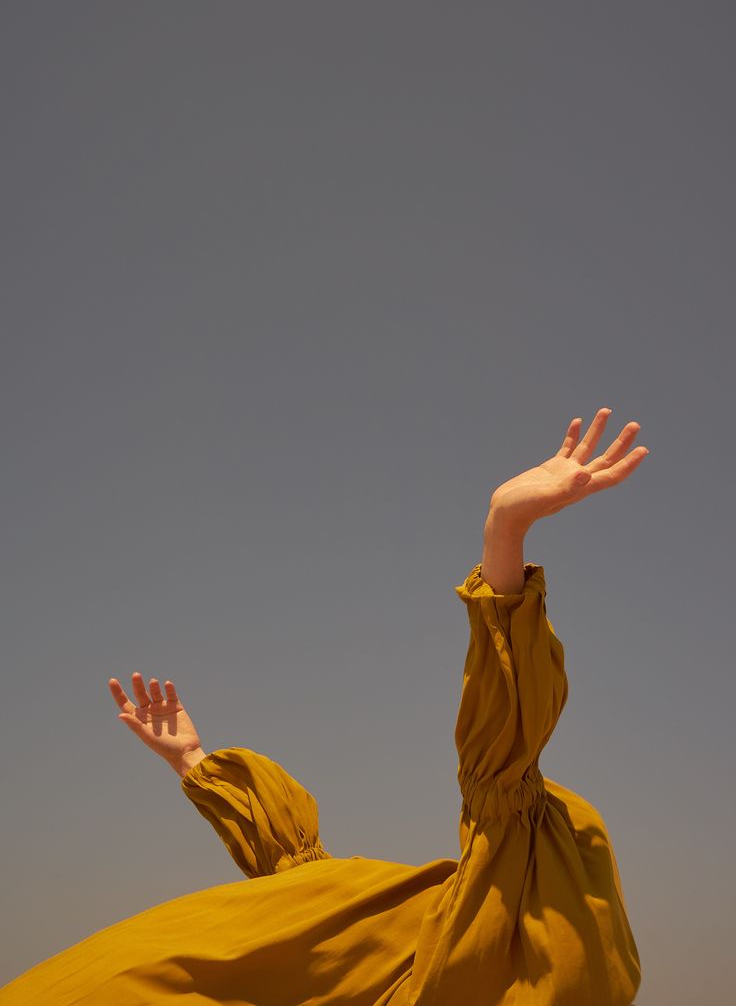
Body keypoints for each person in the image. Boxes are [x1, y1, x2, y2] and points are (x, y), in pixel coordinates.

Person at [0, 407, 646, 1005]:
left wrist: (506, 527)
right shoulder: (440, 935)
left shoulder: (457, 943)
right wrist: (193, 760)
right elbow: (304, 887)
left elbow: (500, 757)